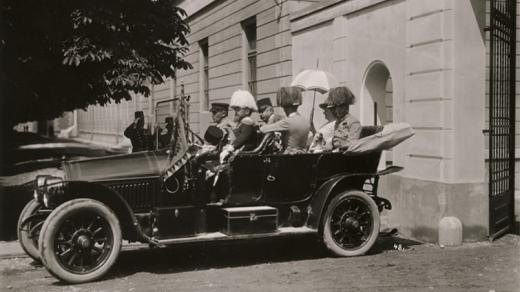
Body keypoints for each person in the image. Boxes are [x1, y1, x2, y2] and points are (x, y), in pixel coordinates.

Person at [260, 87, 310, 154]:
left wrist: (271, 119)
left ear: (284, 106)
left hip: (287, 156)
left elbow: (263, 129)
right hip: (303, 155)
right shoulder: (305, 121)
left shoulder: (288, 122)